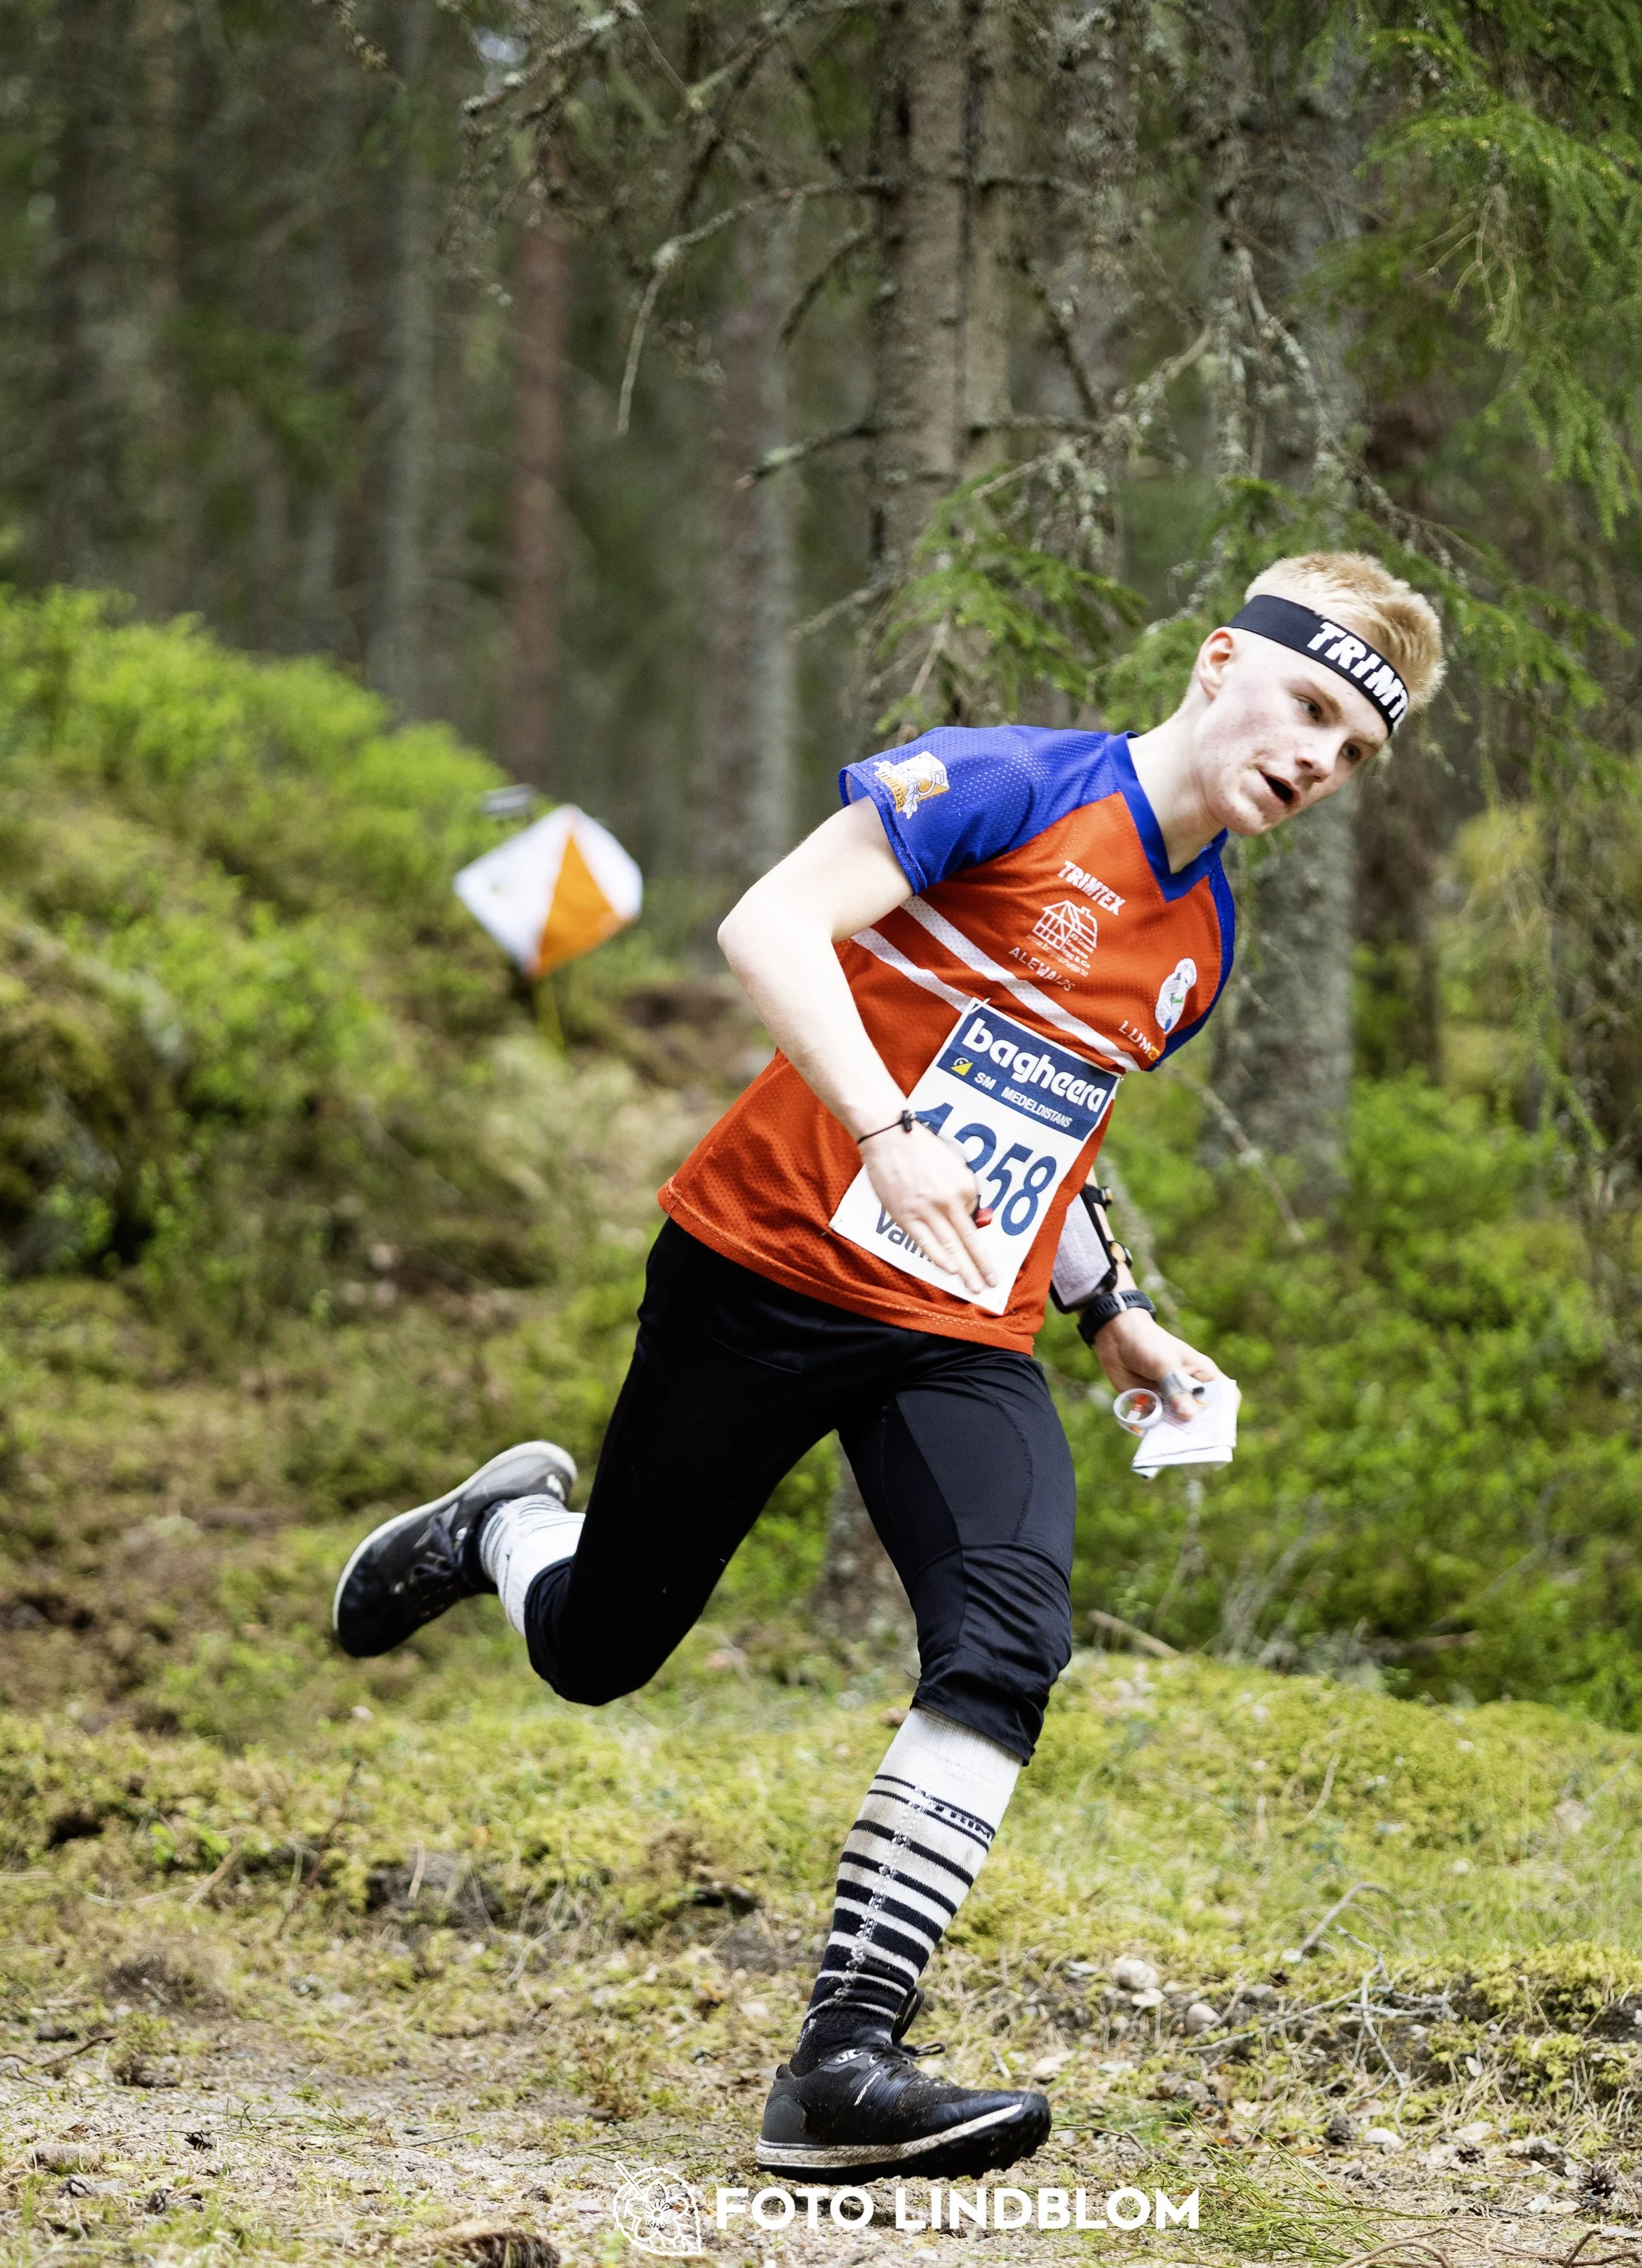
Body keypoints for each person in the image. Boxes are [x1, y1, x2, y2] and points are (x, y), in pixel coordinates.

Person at [332, 552, 1444, 2183]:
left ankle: (841, 2060)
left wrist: (1108, 1305)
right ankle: (500, 1527)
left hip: (956, 1324)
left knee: (1006, 1636)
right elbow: (765, 921)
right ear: (1221, 662)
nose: (1314, 760)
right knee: (595, 1649)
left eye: (1352, 752)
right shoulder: (1008, 779)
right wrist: (886, 1126)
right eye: (1308, 709)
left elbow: (1053, 1119)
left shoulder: (1199, 939)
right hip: (759, 1268)